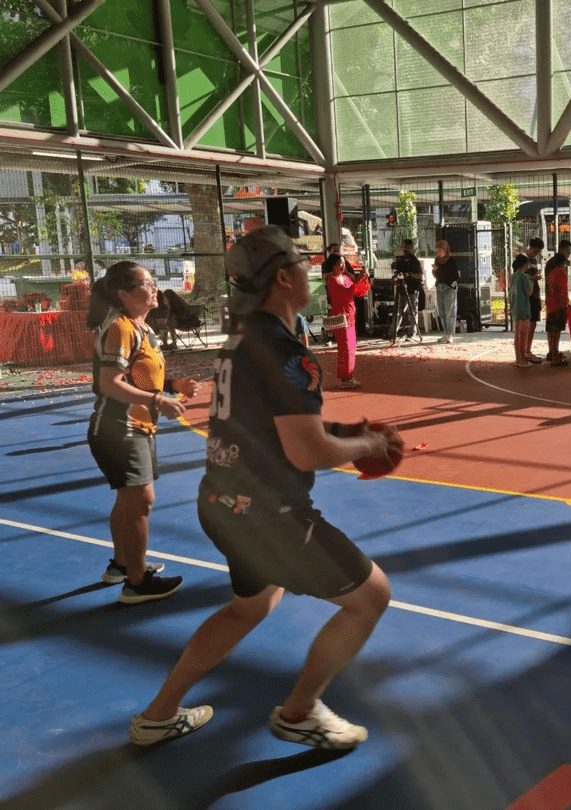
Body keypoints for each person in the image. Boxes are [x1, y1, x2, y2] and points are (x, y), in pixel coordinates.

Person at [128, 225, 404, 748]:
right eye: (301, 263)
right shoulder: (285, 350)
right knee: (371, 598)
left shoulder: (240, 337)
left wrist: (341, 433)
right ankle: (299, 712)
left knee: (248, 607)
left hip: (221, 501)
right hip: (267, 514)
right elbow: (308, 453)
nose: (309, 271)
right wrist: (364, 446)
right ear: (283, 277)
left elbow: (264, 425)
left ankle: (159, 715)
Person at [86, 262, 198, 603]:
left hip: (136, 427)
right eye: (146, 284)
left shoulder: (141, 328)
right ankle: (136, 582)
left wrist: (173, 384)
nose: (154, 288)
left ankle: (121, 565)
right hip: (119, 430)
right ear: (123, 294)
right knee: (140, 502)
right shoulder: (121, 327)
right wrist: (157, 400)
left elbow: (141, 374)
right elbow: (110, 383)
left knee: (130, 498)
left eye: (153, 283)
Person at [323, 254, 361, 388]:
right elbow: (345, 294)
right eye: (340, 263)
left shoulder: (345, 278)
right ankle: (345, 378)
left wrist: (362, 280)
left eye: (344, 263)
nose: (343, 266)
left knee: (351, 346)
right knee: (345, 347)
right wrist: (359, 279)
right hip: (341, 317)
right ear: (333, 266)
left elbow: (357, 291)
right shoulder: (332, 280)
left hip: (350, 316)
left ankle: (349, 376)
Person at [390, 239, 423, 344]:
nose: (406, 249)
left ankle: (411, 333)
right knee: (398, 312)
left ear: (412, 248)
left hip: (412, 289)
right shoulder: (399, 260)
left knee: (412, 312)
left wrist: (409, 274)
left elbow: (420, 275)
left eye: (408, 247)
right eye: (404, 247)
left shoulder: (414, 261)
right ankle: (393, 334)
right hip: (401, 288)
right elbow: (396, 272)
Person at [544, 248, 571, 365]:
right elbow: (560, 290)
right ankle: (555, 356)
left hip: (550, 305)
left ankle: (552, 352)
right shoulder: (560, 273)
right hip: (558, 306)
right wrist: (564, 304)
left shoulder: (550, 273)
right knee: (557, 331)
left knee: (551, 331)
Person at [432, 239, 460, 343]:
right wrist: (434, 271)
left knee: (450, 312)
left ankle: (450, 334)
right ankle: (445, 333)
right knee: (441, 311)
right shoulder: (437, 260)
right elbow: (437, 276)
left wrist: (438, 271)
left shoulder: (451, 260)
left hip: (449, 288)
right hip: (439, 287)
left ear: (445, 250)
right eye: (436, 251)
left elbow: (454, 276)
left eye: (439, 250)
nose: (438, 253)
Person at [508, 253, 533, 368]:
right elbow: (529, 292)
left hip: (515, 308)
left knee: (517, 335)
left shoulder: (513, 276)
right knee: (523, 336)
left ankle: (518, 358)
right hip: (524, 307)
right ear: (524, 265)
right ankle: (523, 360)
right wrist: (532, 281)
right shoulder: (524, 276)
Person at [524, 237, 545, 363]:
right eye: (536, 251)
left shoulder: (533, 260)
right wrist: (533, 278)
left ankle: (528, 349)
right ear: (532, 248)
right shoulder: (523, 259)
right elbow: (522, 277)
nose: (537, 253)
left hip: (535, 294)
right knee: (527, 323)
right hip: (528, 295)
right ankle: (525, 350)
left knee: (533, 323)